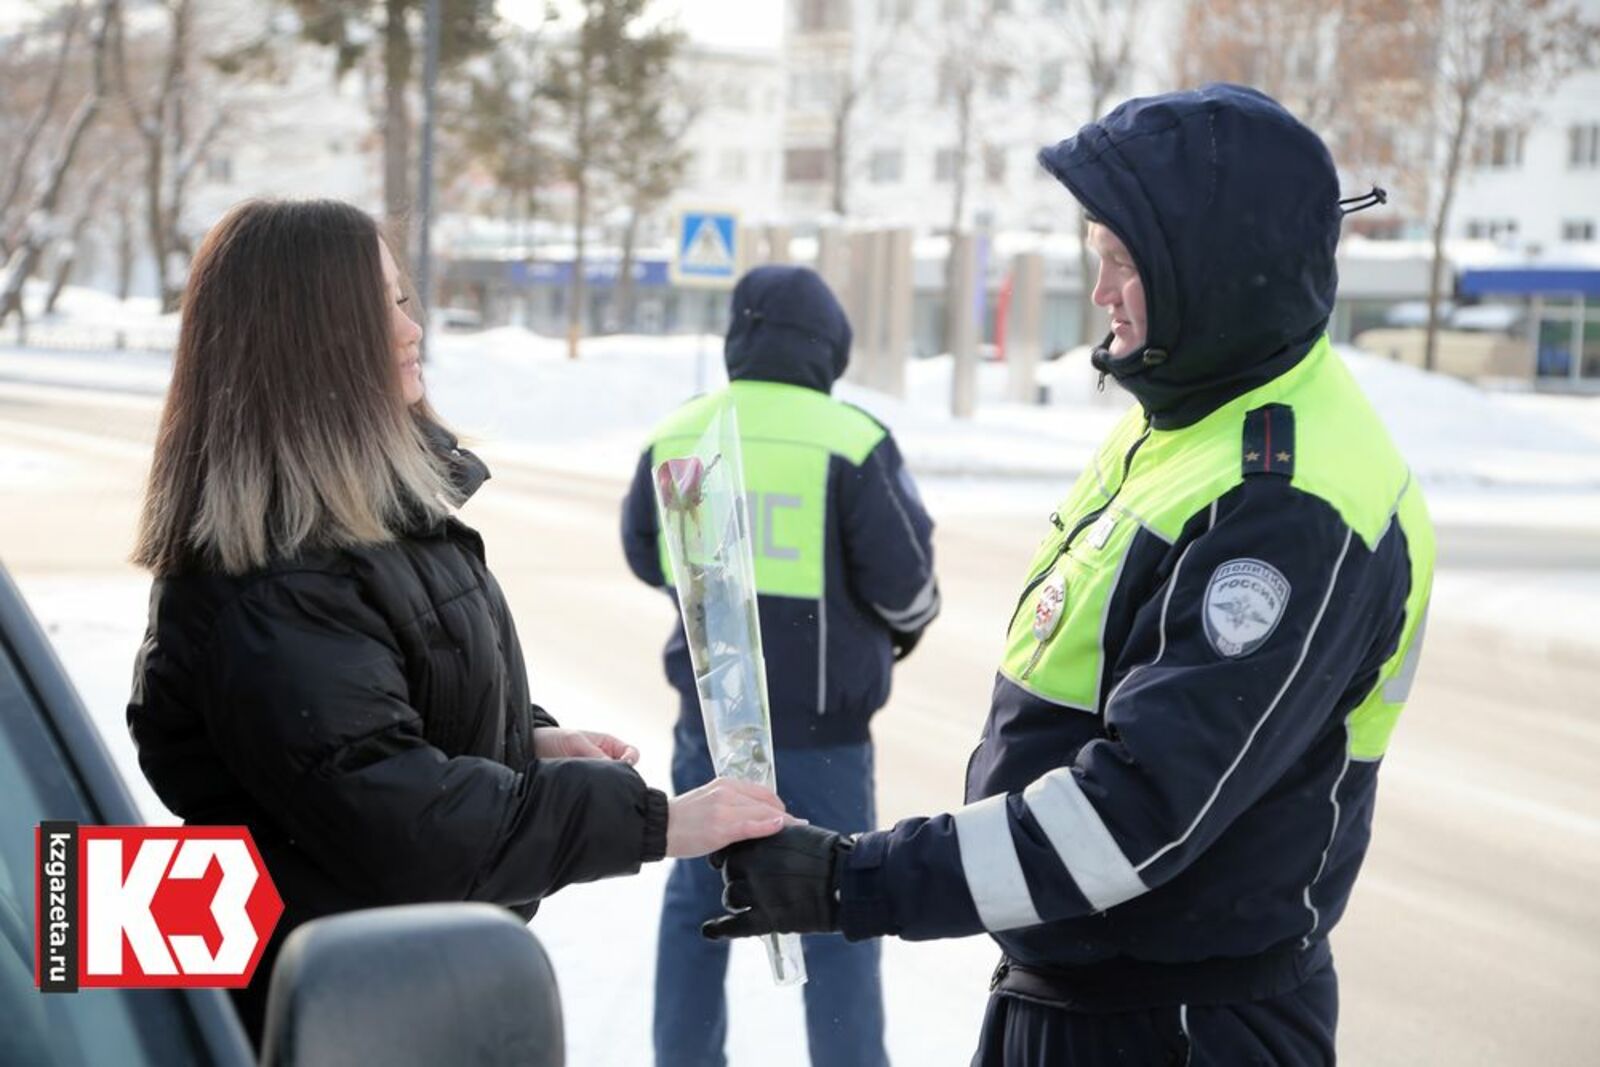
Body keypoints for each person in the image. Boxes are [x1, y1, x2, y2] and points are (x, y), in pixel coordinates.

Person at [703, 85, 1435, 1065]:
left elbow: (1129, 816)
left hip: (1177, 1025)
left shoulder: (1288, 500)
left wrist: (854, 879)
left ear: (1212, 272)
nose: (1099, 293)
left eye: (1122, 263)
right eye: (1097, 258)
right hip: (1086, 994)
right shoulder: (1190, 415)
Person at [126, 199, 790, 1048]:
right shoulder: (268, 586)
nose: (414, 329)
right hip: (328, 1018)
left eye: (405, 299)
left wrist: (522, 736)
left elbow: (387, 711)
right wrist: (653, 821)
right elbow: (402, 818)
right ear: (307, 337)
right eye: (385, 306)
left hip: (387, 992)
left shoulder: (368, 523)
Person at [621, 265, 940, 1067]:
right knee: (839, 905)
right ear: (830, 344)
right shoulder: (852, 439)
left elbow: (644, 550)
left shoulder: (680, 432)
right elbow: (907, 588)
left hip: (713, 728)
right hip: (825, 738)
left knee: (699, 910)